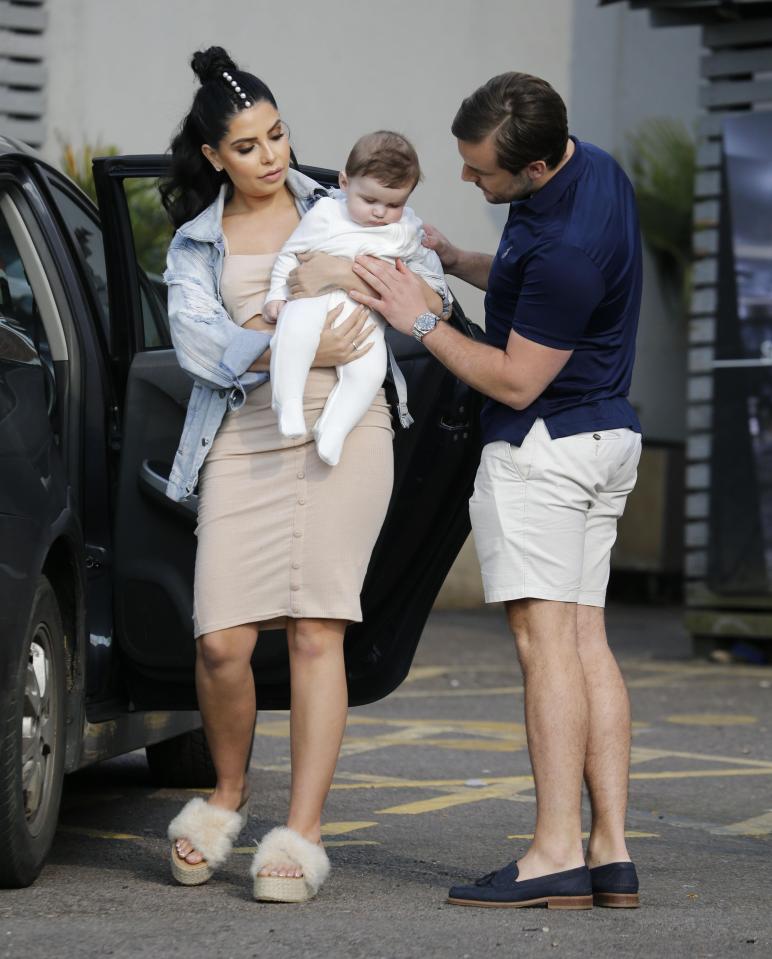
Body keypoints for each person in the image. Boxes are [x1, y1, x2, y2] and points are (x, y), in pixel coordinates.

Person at [160, 46, 448, 903]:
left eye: (278, 135)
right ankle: (227, 795)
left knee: (320, 629)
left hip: (349, 426)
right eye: (246, 146)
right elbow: (199, 348)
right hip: (245, 434)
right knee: (221, 641)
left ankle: (304, 831)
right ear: (215, 157)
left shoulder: (343, 201)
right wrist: (285, 337)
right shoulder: (194, 242)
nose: (271, 155)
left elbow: (426, 285)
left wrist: (344, 280)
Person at [350, 72, 643, 910]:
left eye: (483, 173)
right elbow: (524, 289)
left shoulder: (568, 251)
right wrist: (451, 261)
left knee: (544, 645)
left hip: (546, 448)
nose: (471, 181)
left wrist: (418, 316)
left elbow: (515, 378)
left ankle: (554, 851)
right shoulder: (596, 172)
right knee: (585, 640)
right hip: (603, 435)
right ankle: (609, 852)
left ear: (540, 168)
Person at [264, 131, 449, 466]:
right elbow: (291, 254)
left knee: (370, 372)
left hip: (364, 318)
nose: (380, 212)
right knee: (292, 336)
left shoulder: (407, 230)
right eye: (370, 200)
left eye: (394, 204)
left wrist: (433, 253)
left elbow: (433, 288)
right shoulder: (325, 214)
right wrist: (277, 293)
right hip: (313, 298)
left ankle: (334, 428)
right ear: (345, 183)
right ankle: (287, 402)